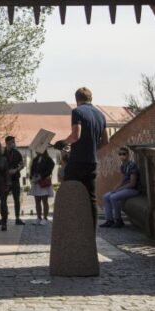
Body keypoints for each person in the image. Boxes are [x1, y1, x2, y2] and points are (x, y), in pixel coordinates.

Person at [56, 87, 108, 230]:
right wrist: (92, 149)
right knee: (91, 198)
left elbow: (75, 136)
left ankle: (71, 230)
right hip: (92, 162)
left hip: (77, 161)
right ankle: (91, 233)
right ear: (90, 98)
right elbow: (105, 141)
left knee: (70, 193)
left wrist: (63, 142)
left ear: (77, 99)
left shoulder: (77, 111)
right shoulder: (100, 115)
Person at [100, 147, 140, 228]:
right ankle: (109, 220)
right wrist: (115, 188)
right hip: (125, 188)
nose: (122, 156)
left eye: (124, 154)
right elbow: (122, 180)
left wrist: (119, 190)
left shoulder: (132, 165)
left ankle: (119, 220)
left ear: (128, 155)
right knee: (106, 196)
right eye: (120, 154)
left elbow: (132, 183)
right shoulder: (123, 166)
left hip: (133, 189)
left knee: (113, 197)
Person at [29, 148, 55, 225]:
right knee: (37, 201)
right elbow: (32, 169)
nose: (36, 150)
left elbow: (49, 169)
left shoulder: (48, 159)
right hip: (36, 182)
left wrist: (41, 176)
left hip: (43, 182)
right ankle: (38, 217)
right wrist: (32, 177)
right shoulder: (35, 159)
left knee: (44, 201)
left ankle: (45, 218)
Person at [4, 135, 25, 225]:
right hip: (5, 179)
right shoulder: (2, 153)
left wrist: (16, 170)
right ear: (7, 143)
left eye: (14, 142)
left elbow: (22, 164)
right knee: (3, 199)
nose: (14, 144)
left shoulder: (17, 153)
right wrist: (7, 171)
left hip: (15, 178)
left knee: (17, 199)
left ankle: (17, 218)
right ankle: (3, 218)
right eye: (12, 142)